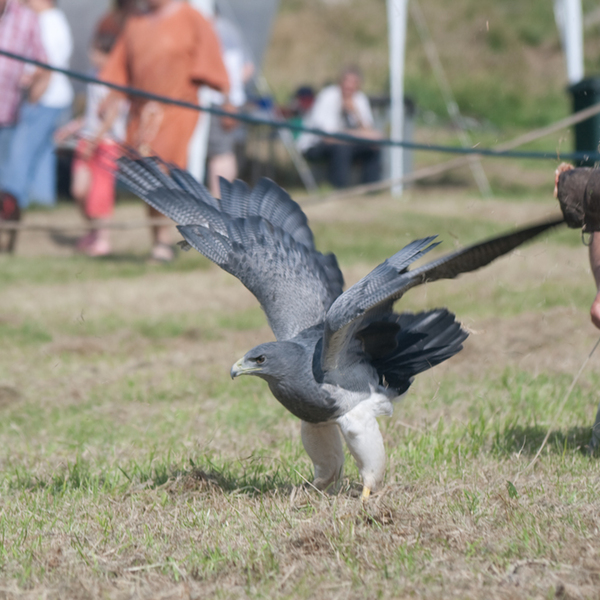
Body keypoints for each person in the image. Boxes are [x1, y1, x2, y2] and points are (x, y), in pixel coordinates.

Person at [100, 0, 229, 262]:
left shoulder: (191, 17)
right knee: (146, 176)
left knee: (161, 171)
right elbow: (120, 67)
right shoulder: (136, 21)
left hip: (177, 110)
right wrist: (111, 97)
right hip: (141, 114)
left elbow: (214, 64)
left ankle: (189, 234)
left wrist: (227, 99)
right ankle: (161, 240)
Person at [55, 30, 128, 257]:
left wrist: (94, 140)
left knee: (101, 194)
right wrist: (72, 127)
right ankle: (91, 231)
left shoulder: (117, 80)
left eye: (96, 52)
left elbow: (111, 115)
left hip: (107, 143)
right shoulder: (92, 75)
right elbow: (90, 114)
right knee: (79, 190)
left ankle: (102, 240)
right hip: (87, 139)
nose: (92, 55)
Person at [1, 0, 73, 212]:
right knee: (42, 154)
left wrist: (33, 98)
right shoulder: (54, 20)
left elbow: (46, 65)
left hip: (46, 98)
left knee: (21, 155)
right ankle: (41, 201)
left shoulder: (48, 22)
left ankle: (15, 203)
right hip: (54, 98)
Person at [0, 0, 46, 251]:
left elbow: (42, 60)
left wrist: (32, 77)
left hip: (11, 113)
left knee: (9, 180)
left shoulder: (26, 18)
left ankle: (9, 239)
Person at [297, 66, 381, 189]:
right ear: (340, 82)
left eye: (354, 83)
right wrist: (355, 135)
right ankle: (339, 190)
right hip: (314, 145)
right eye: (347, 81)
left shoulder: (359, 99)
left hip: (345, 143)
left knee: (372, 148)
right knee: (341, 147)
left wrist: (356, 113)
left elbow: (371, 134)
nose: (349, 86)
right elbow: (328, 136)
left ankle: (370, 190)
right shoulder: (327, 96)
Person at [206, 10, 253, 198]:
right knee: (226, 152)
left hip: (219, 102)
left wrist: (227, 98)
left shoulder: (212, 29)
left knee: (221, 154)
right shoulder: (230, 28)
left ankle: (218, 200)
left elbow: (223, 71)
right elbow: (248, 68)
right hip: (232, 101)